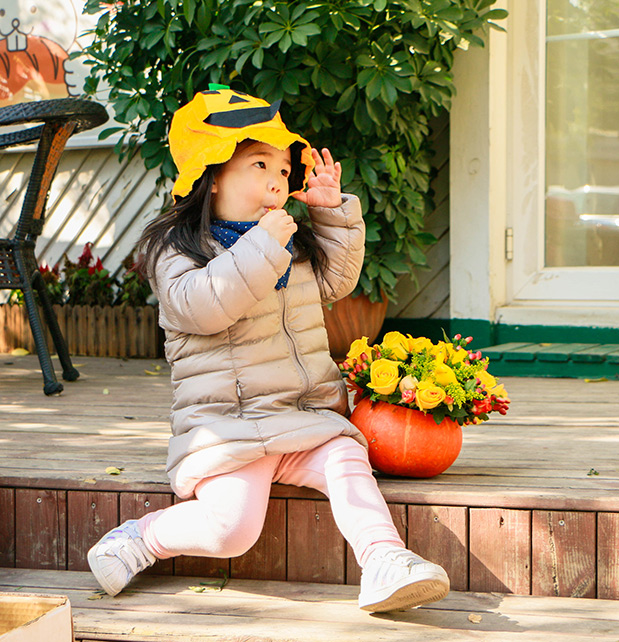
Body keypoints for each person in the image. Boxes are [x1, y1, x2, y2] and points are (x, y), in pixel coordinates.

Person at [85, 86, 450, 613]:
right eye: (260, 164)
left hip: (304, 416)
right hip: (228, 424)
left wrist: (331, 216)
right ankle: (141, 538)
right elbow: (202, 306)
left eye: (284, 171)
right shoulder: (178, 249)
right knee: (231, 531)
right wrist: (261, 245)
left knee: (348, 458)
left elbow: (336, 284)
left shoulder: (290, 245)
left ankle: (385, 560)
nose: (277, 182)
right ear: (211, 178)